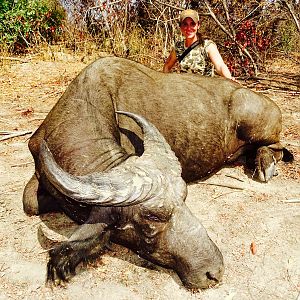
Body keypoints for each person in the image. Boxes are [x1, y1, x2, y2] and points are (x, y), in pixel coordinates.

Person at [163, 9, 235, 81]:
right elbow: (167, 66)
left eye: (192, 24)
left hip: (205, 89)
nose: (189, 28)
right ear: (180, 26)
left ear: (198, 25)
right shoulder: (178, 47)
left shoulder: (207, 46)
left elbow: (220, 66)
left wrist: (230, 79)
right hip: (184, 89)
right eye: (185, 24)